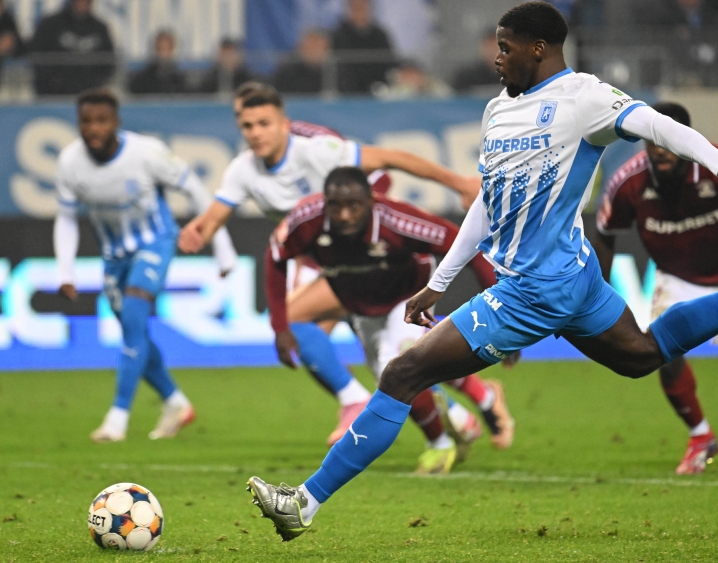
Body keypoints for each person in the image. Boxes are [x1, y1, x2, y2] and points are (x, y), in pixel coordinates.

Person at [243, 1, 718, 541]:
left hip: (533, 288)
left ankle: (305, 502)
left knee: (403, 372)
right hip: (574, 277)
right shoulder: (496, 113)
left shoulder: (582, 96)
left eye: (505, 48)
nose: (497, 59)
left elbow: (653, 121)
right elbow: (488, 202)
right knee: (642, 354)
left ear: (539, 49)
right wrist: (439, 280)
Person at [177, 85, 488, 446]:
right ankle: (470, 405)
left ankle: (366, 404)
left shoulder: (317, 151)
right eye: (247, 125)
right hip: (328, 254)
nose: (255, 133)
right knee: (380, 355)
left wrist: (459, 182)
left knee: (369, 344)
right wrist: (199, 231)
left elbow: (390, 159)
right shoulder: (243, 170)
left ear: (284, 124)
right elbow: (215, 215)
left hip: (370, 248)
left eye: (264, 123)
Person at [268, 166, 514, 473]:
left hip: (406, 296)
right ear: (325, 202)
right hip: (362, 304)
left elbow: (466, 245)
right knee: (394, 377)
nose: (344, 215)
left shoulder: (398, 220)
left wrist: (500, 311)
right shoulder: (308, 220)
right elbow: (275, 258)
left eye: (353, 206)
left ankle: (439, 445)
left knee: (397, 366)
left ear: (371, 201)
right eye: (336, 207)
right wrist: (279, 326)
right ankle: (470, 412)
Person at [592, 102, 718, 474]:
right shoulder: (628, 181)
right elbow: (604, 237)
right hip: (675, 278)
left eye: (669, 142)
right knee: (660, 355)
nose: (661, 150)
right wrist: (595, 296)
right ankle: (700, 436)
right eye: (653, 142)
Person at [54, 88, 238, 443]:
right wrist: (66, 271)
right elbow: (65, 218)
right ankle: (175, 401)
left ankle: (117, 419)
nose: (94, 129)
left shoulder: (147, 152)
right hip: (114, 256)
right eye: (86, 121)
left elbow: (197, 190)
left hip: (156, 241)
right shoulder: (69, 162)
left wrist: (222, 246)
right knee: (133, 333)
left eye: (101, 120)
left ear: (116, 123)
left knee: (135, 316)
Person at [29, 0, 115, 97]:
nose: (82, 3)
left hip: (89, 96)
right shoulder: (51, 24)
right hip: (53, 95)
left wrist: (95, 84)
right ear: (72, 0)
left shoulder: (99, 28)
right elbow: (37, 55)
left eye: (86, 0)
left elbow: (109, 60)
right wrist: (52, 82)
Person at [331, 0, 396, 95]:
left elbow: (391, 63)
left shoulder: (380, 35)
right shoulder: (337, 36)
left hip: (377, 94)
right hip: (345, 97)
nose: (359, 9)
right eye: (355, 6)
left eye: (362, 5)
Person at [128, 30, 188, 95]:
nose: (163, 53)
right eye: (160, 48)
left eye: (166, 48)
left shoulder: (181, 79)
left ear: (172, 49)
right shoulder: (143, 79)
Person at [271, 30, 330, 95]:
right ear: (301, 47)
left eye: (317, 45)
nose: (314, 50)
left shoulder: (335, 74)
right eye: (311, 45)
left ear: (327, 48)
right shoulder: (287, 72)